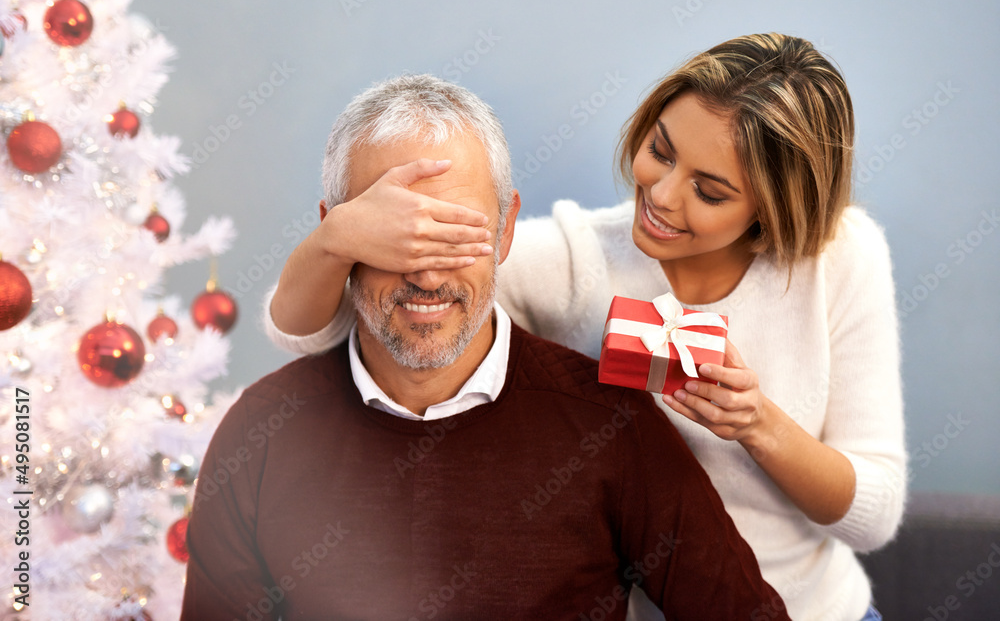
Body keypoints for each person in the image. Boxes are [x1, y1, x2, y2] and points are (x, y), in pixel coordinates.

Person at [262, 34, 907, 621]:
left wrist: (756, 423)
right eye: (660, 150)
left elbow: (871, 516)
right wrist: (339, 235)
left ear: (772, 210)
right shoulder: (577, 259)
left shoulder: (842, 259)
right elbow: (314, 330)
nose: (661, 193)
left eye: (709, 192)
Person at [181, 74, 788, 620]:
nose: (426, 274)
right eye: (396, 237)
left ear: (505, 231)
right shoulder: (261, 433)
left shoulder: (612, 425)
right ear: (336, 236)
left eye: (456, 233)